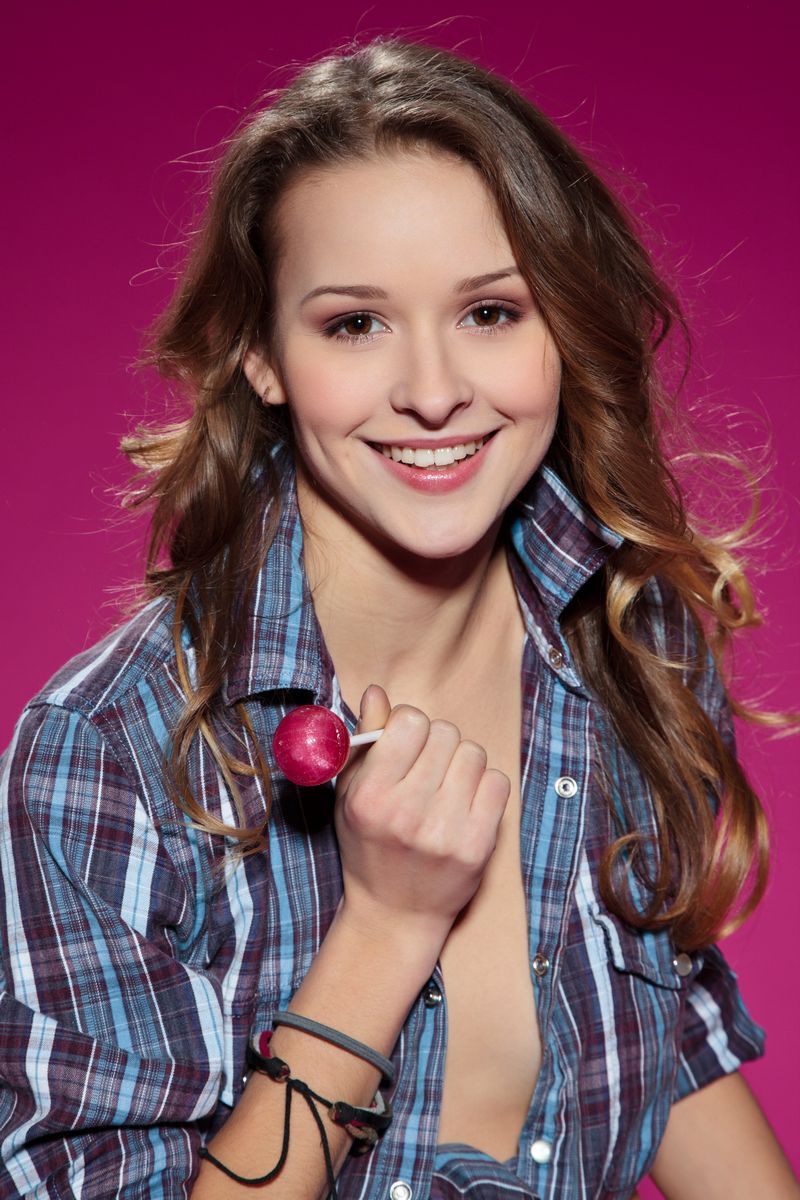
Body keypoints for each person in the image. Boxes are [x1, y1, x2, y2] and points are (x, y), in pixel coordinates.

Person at [0, 35, 797, 1200]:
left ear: (560, 331)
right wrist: (383, 928)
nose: (432, 391)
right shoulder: (109, 754)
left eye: (490, 311)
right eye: (353, 324)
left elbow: (663, 1043)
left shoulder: (629, 643)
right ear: (260, 355)